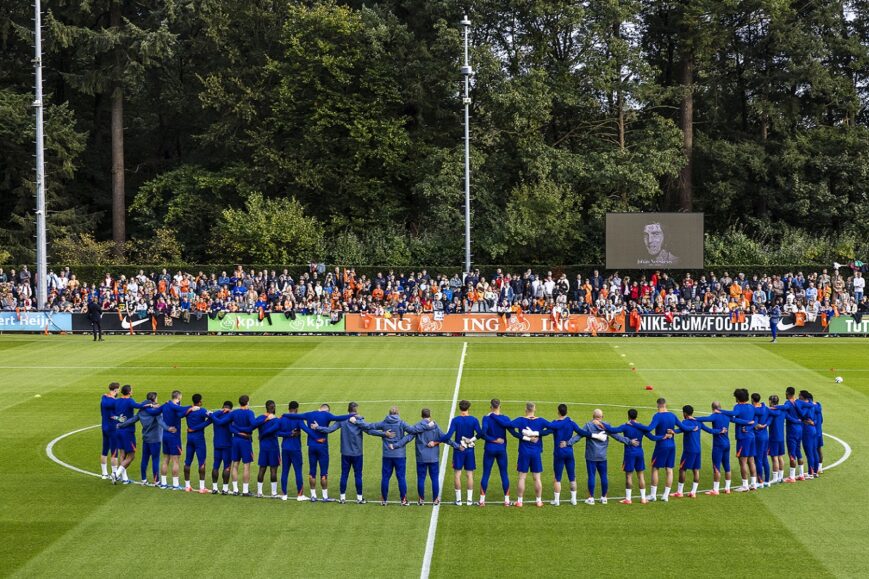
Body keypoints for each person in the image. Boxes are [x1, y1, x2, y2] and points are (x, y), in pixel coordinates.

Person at [313, 402, 386, 504]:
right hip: (357, 453)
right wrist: (384, 434)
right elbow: (370, 431)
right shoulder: (359, 420)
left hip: (345, 453)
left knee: (344, 475)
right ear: (355, 410)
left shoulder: (342, 420)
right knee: (358, 476)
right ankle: (359, 499)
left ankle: (342, 498)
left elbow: (330, 430)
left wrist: (317, 427)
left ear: (348, 410)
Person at [364, 406, 434, 506]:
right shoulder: (401, 423)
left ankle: (384, 500)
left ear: (389, 413)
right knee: (401, 477)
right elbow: (413, 430)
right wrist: (427, 426)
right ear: (398, 413)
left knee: (385, 477)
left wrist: (384, 434)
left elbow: (369, 428)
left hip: (387, 454)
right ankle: (403, 500)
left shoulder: (384, 423)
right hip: (400, 455)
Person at [389, 408, 458, 505]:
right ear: (430, 415)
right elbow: (446, 438)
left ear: (421, 416)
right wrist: (457, 446)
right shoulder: (435, 426)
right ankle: (435, 500)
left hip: (421, 458)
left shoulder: (418, 426)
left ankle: (421, 500)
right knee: (434, 478)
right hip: (433, 457)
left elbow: (407, 438)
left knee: (421, 478)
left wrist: (395, 445)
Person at [287, 404, 354, 502]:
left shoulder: (309, 414)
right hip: (322, 447)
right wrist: (351, 416)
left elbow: (295, 416)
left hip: (311, 446)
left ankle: (313, 496)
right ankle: (324, 496)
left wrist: (284, 415)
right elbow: (338, 418)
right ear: (327, 410)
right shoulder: (327, 415)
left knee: (312, 471)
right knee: (323, 473)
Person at [628, 398, 689, 502]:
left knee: (655, 468)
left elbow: (648, 429)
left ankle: (653, 495)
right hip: (672, 445)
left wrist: (634, 424)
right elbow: (684, 428)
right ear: (665, 404)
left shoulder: (658, 416)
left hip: (661, 445)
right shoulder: (673, 415)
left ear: (658, 405)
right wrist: (674, 431)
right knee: (669, 470)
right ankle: (665, 495)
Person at [603, 409, 668, 504]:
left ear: (628, 416)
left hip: (629, 453)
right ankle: (643, 498)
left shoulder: (626, 426)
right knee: (640, 475)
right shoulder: (641, 427)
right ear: (637, 416)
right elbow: (652, 438)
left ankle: (628, 499)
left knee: (629, 475)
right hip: (639, 453)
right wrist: (663, 437)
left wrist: (602, 424)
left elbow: (613, 430)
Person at [574, 408, 634, 505]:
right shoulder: (606, 426)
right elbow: (617, 436)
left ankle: (591, 498)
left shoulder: (588, 425)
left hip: (591, 456)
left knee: (591, 476)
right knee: (603, 476)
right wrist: (630, 441)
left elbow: (578, 436)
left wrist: (568, 443)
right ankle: (604, 498)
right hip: (602, 456)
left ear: (593, 416)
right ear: (602, 417)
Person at [118, 391, 173, 484]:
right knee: (155, 459)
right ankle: (156, 481)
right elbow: (160, 422)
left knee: (144, 459)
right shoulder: (156, 411)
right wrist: (168, 428)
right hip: (155, 439)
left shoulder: (142, 410)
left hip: (146, 438)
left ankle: (143, 479)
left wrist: (121, 425)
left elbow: (132, 420)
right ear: (154, 399)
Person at [439, 400, 484, 506]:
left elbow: (448, 435)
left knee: (457, 475)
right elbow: (480, 433)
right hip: (470, 450)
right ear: (469, 408)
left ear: (459, 408)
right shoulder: (473, 420)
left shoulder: (456, 420)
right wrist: (472, 440)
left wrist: (439, 440)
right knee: (469, 475)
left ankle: (458, 501)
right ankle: (469, 500)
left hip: (459, 450)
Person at [509, 402, 553, 507]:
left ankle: (519, 501)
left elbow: (509, 427)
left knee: (522, 478)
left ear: (525, 409)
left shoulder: (520, 420)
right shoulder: (541, 420)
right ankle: (538, 501)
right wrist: (537, 433)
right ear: (534, 409)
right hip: (536, 452)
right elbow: (552, 429)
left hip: (524, 452)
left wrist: (523, 435)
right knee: (537, 478)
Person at [479, 399, 519, 507]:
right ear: (500, 406)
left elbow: (483, 434)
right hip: (501, 450)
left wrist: (493, 440)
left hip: (489, 448)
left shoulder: (486, 418)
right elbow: (513, 433)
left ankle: (482, 501)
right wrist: (527, 438)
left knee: (486, 473)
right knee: (504, 474)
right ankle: (507, 501)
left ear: (490, 406)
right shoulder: (505, 418)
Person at [716, 388, 758, 492]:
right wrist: (749, 424)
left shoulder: (738, 406)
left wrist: (721, 411)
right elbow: (755, 420)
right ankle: (753, 484)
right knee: (751, 461)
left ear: (738, 398)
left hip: (743, 437)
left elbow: (733, 413)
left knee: (742, 461)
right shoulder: (752, 407)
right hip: (752, 436)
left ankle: (745, 485)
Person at [277, 401, 319, 501]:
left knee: (285, 471)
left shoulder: (282, 418)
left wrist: (288, 434)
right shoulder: (298, 419)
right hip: (295, 449)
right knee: (298, 472)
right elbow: (307, 430)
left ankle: (284, 494)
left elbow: (277, 432)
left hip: (285, 448)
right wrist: (317, 438)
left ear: (289, 408)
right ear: (296, 409)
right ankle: (300, 495)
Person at [111, 384, 152, 484]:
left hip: (118, 429)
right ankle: (116, 474)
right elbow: (139, 406)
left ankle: (124, 478)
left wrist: (118, 419)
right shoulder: (129, 401)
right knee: (131, 456)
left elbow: (112, 415)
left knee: (122, 454)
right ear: (129, 392)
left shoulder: (117, 401)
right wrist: (150, 404)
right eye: (131, 390)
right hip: (127, 431)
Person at [695, 402, 733, 494]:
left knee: (716, 466)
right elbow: (737, 420)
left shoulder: (714, 416)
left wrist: (694, 418)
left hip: (718, 445)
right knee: (727, 465)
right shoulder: (727, 416)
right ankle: (727, 488)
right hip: (727, 443)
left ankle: (715, 490)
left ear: (713, 408)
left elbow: (706, 419)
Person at [160, 390, 192, 490]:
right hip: (174, 436)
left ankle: (163, 483)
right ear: (179, 396)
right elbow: (181, 410)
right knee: (175, 460)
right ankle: (175, 484)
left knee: (165, 459)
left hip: (164, 435)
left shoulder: (165, 405)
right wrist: (191, 407)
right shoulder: (174, 406)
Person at [773, 387, 806, 482]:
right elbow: (809, 405)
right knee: (798, 451)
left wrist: (775, 407)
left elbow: (785, 410)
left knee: (792, 453)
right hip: (800, 428)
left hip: (792, 430)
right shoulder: (798, 402)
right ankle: (801, 474)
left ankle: (792, 477)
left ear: (787, 393)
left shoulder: (787, 403)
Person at [671, 406, 702, 499]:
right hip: (698, 449)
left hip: (689, 450)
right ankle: (693, 492)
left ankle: (680, 492)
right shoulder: (698, 422)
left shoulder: (685, 422)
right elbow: (708, 430)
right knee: (696, 470)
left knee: (682, 469)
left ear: (684, 413)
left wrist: (673, 431)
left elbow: (681, 429)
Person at [183, 394, 212, 493]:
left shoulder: (188, 410)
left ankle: (187, 486)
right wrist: (200, 426)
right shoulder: (202, 410)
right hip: (199, 438)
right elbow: (211, 418)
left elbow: (180, 413)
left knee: (187, 461)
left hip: (189, 437)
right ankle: (202, 487)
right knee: (202, 461)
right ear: (199, 401)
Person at [229, 395, 257, 496]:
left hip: (235, 440)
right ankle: (245, 490)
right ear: (247, 402)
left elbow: (228, 425)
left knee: (235, 464)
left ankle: (235, 490)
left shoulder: (234, 412)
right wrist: (245, 431)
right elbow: (254, 424)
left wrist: (238, 430)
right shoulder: (250, 412)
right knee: (246, 466)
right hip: (245, 441)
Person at [255, 400, 281, 498]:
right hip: (273, 447)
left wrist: (261, 435)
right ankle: (273, 493)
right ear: (274, 407)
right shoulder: (276, 420)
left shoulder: (261, 418)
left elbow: (253, 425)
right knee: (273, 470)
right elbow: (275, 430)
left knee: (262, 469)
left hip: (263, 447)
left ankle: (259, 492)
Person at [209, 401, 234, 494]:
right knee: (227, 466)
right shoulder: (230, 416)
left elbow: (211, 415)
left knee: (216, 465)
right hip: (227, 444)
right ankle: (225, 489)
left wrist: (220, 411)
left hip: (217, 444)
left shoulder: (216, 415)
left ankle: (215, 488)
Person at [99, 382, 120, 479]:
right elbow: (113, 416)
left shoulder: (104, 398)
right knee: (114, 452)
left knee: (104, 450)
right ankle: (114, 474)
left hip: (104, 426)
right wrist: (121, 419)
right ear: (115, 390)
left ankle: (104, 473)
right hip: (112, 428)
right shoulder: (114, 402)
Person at [751, 393, 772, 487]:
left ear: (752, 399)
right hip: (765, 436)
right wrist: (766, 425)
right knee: (764, 458)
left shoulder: (754, 410)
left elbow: (753, 421)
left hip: (758, 436)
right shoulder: (766, 408)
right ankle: (767, 481)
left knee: (758, 459)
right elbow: (771, 417)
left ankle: (760, 482)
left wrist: (756, 425)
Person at [766, 395, 786, 484]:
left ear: (770, 401)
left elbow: (768, 421)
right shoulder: (782, 411)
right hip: (781, 437)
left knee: (774, 458)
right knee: (780, 456)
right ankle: (781, 477)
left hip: (774, 437)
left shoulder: (770, 411)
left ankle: (775, 478)